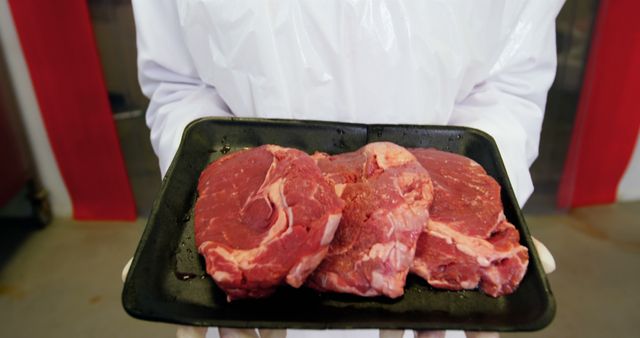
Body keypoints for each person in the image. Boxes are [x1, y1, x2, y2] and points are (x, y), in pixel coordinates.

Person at [128, 1, 562, 337]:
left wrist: (475, 215)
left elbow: (509, 82)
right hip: (264, 290)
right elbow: (179, 84)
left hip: (421, 297)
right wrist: (208, 215)